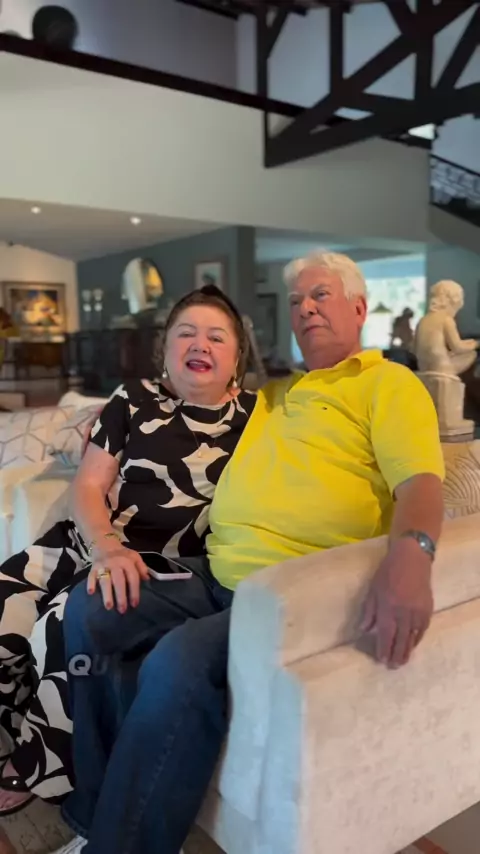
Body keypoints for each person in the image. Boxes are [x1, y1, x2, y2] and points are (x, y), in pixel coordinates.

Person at [58, 252, 444, 854]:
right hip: (213, 572)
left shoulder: (389, 383)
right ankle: (94, 817)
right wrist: (92, 422)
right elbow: (186, 402)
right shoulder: (272, 395)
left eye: (320, 295)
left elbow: (420, 483)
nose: (305, 308)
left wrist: (414, 554)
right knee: (93, 608)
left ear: (360, 308)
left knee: (177, 661)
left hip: (289, 589)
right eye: (296, 301)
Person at [0, 285, 254, 818]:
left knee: (60, 624)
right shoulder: (132, 400)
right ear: (165, 350)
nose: (199, 344)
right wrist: (105, 545)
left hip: (162, 567)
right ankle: (12, 726)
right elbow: (89, 485)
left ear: (237, 359)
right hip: (90, 540)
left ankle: (38, 762)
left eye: (216, 337)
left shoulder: (258, 418)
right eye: (185, 333)